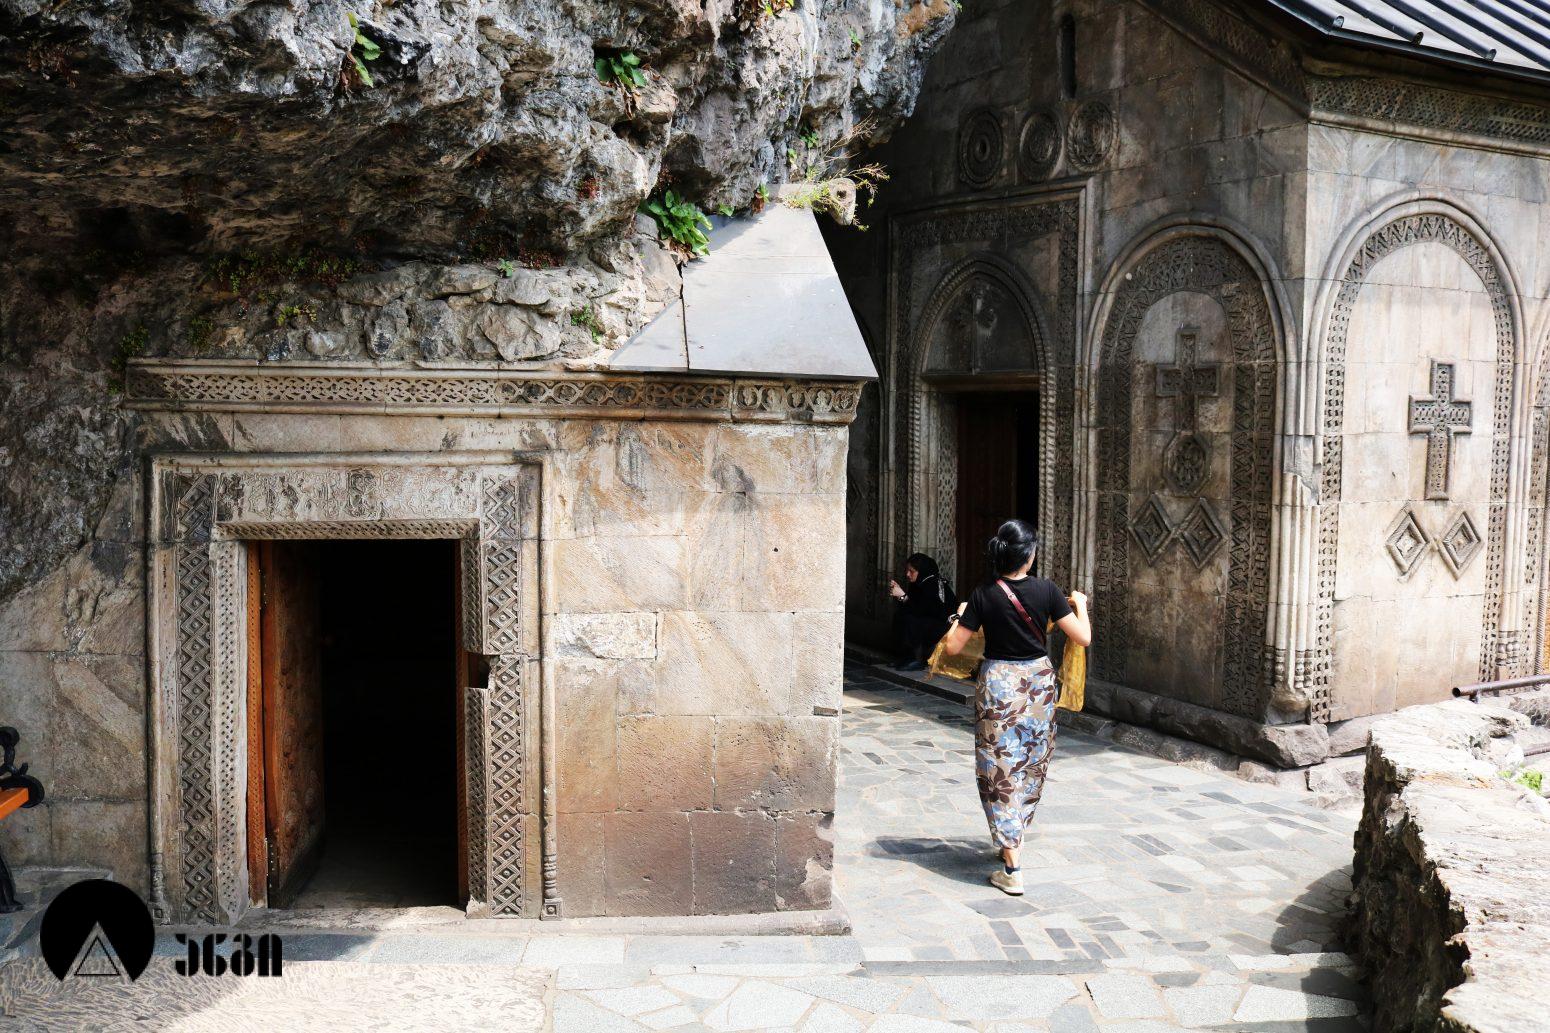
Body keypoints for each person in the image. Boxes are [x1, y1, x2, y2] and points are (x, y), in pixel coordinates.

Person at [939, 519, 1091, 896]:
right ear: (1029, 555)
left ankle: (1011, 862)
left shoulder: (983, 595)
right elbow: (1083, 637)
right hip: (1038, 687)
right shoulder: (1048, 591)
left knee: (998, 768)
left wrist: (960, 616)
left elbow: (953, 647)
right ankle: (1012, 842)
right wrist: (1082, 605)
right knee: (1030, 763)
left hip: (999, 688)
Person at [888, 553, 957, 671]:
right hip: (927, 620)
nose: (907, 574)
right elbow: (912, 607)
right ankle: (905, 656)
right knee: (900, 616)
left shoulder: (932, 584)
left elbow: (924, 610)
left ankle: (918, 659)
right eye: (907, 571)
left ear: (922, 571)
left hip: (942, 624)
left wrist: (903, 597)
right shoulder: (918, 583)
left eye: (911, 571)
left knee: (912, 620)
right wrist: (901, 596)